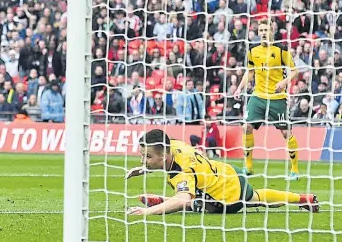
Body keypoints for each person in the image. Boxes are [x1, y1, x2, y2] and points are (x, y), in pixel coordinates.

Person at [125, 129, 318, 216]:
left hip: (226, 198)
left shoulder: (182, 170)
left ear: (164, 154)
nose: (143, 160)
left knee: (193, 203)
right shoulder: (173, 145)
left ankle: (164, 202)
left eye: (147, 157)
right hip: (225, 173)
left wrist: (147, 212)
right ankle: (304, 199)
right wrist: (144, 168)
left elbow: (183, 198)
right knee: (256, 197)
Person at [234, 18, 300, 180]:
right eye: (261, 31)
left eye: (266, 30)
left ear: (272, 32)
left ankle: (295, 170)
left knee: (286, 132)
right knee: (246, 127)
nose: (264, 33)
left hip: (277, 97)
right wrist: (239, 88)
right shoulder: (253, 51)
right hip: (258, 96)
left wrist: (284, 82)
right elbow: (250, 72)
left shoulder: (281, 50)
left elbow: (295, 71)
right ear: (258, 33)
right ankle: (248, 167)